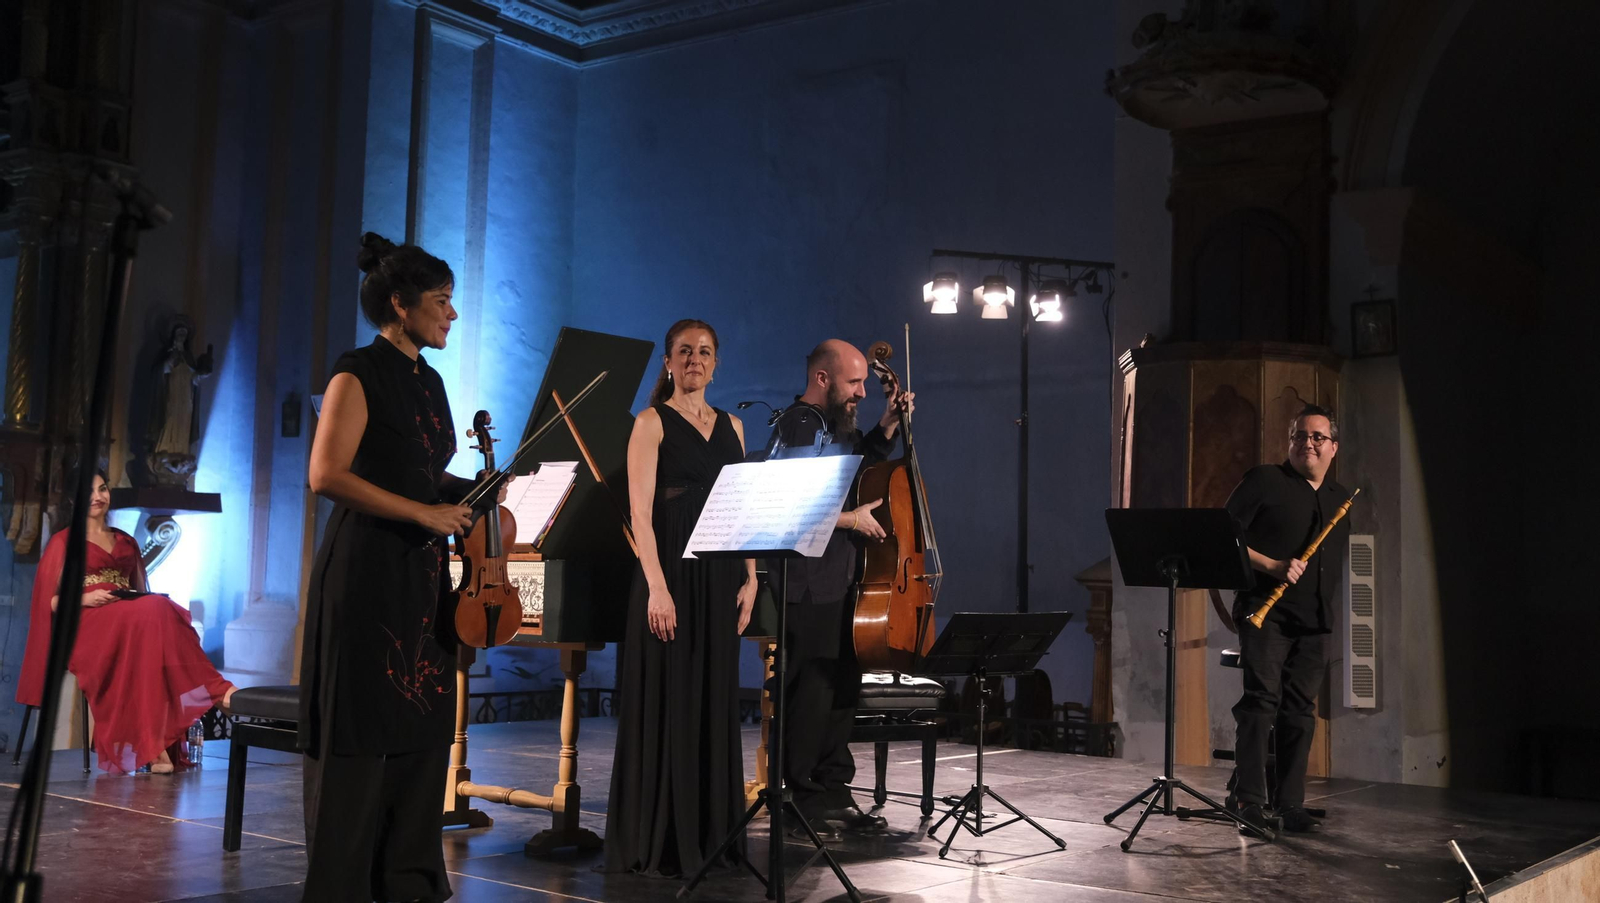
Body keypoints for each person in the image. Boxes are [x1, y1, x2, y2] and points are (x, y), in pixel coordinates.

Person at [298, 233, 506, 902]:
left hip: (421, 579)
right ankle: (343, 886)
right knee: (361, 732)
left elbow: (417, 471)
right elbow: (326, 474)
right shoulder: (356, 370)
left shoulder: (432, 380)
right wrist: (423, 513)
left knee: (421, 725)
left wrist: (464, 491)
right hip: (367, 573)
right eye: (442, 301)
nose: (452, 315)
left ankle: (408, 880)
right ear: (400, 302)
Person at [604, 318, 758, 878]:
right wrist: (658, 587)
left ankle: (712, 834)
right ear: (668, 361)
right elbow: (639, 515)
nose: (695, 359)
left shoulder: (734, 428)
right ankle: (662, 838)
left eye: (705, 352)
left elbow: (740, 509)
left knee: (712, 696)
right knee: (670, 697)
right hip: (668, 571)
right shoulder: (650, 422)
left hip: (719, 576)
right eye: (685, 351)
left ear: (716, 363)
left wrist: (752, 578)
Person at [767, 339, 910, 838]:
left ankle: (832, 790)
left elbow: (859, 466)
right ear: (823, 379)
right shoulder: (799, 424)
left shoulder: (833, 426)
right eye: (854, 383)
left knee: (841, 688)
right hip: (807, 584)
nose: (863, 392)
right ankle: (803, 794)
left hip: (842, 577)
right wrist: (851, 519)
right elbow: (789, 506)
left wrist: (891, 423)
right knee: (812, 691)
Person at [16, 470, 236, 774]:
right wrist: (85, 598)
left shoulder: (125, 540)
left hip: (126, 616)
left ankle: (156, 747)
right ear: (73, 499)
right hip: (86, 624)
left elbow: (139, 589)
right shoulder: (63, 542)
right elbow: (49, 602)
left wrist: (132, 599)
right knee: (159, 608)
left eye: (103, 489)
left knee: (160, 612)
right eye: (88, 491)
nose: (97, 497)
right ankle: (216, 691)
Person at [1225, 404, 1348, 835]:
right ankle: (1248, 802)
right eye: (1299, 435)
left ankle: (1289, 803)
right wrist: (1272, 566)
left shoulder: (1338, 499)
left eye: (1317, 437)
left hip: (1315, 619)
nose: (1307, 443)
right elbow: (1225, 535)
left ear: (1333, 447)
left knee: (1300, 711)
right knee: (1260, 705)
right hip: (1266, 613)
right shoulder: (1265, 480)